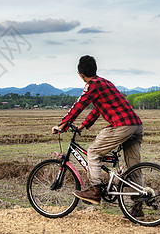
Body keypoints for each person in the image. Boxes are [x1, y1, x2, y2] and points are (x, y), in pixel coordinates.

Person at [53, 55, 144, 207]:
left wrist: (63, 124)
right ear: (95, 69)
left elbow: (79, 105)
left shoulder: (92, 84)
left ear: (81, 75)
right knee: (133, 165)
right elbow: (98, 109)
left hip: (122, 125)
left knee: (93, 153)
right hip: (136, 125)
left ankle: (95, 191)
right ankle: (138, 206)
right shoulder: (105, 82)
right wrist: (83, 125)